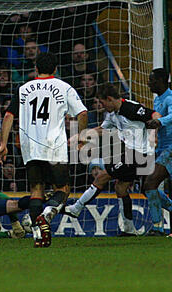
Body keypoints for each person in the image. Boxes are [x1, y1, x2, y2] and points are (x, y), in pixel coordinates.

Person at [0, 52, 88, 247]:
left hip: (30, 148)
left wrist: (3, 144)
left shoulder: (23, 88)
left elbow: (8, 116)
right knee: (62, 189)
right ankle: (46, 215)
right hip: (54, 146)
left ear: (36, 68)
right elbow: (82, 113)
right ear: (55, 69)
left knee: (36, 189)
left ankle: (39, 236)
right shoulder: (64, 87)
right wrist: (81, 136)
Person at [66, 83, 161, 232]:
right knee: (120, 187)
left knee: (103, 176)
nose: (102, 106)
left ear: (109, 99)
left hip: (140, 155)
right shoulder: (112, 114)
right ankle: (129, 229)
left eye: (103, 103)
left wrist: (154, 135)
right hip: (131, 155)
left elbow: (155, 115)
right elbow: (101, 130)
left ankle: (76, 208)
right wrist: (80, 137)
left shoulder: (130, 108)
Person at [143, 68, 172, 236]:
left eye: (151, 80)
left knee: (150, 183)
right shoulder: (158, 100)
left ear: (161, 81)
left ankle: (158, 227)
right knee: (146, 186)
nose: (148, 83)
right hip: (163, 147)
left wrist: (159, 122)